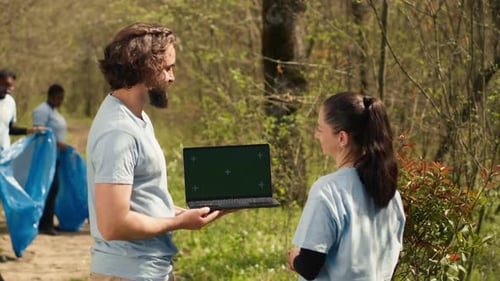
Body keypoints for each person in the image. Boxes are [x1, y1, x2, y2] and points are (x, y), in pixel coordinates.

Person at [87, 23, 225, 281]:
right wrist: (180, 223)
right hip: (128, 273)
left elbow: (142, 202)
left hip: (148, 270)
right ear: (145, 68)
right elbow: (114, 224)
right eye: (167, 68)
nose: (172, 77)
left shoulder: (137, 119)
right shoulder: (119, 132)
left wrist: (193, 213)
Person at [287, 92, 406, 280]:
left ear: (342, 138)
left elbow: (309, 265)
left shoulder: (327, 190)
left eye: (319, 128)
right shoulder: (391, 194)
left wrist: (294, 258)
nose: (315, 135)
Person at [32, 83, 68, 235]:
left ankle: (48, 222)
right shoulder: (42, 111)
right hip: (46, 157)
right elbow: (40, 133)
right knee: (50, 189)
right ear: (51, 96)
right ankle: (45, 224)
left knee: (54, 189)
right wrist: (56, 143)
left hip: (56, 156)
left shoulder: (53, 112)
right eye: (59, 98)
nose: (61, 101)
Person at [0, 69, 45, 152]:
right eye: (5, 85)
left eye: (10, 87)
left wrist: (31, 130)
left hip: (4, 154)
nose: (7, 89)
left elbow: (9, 129)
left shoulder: (10, 102)